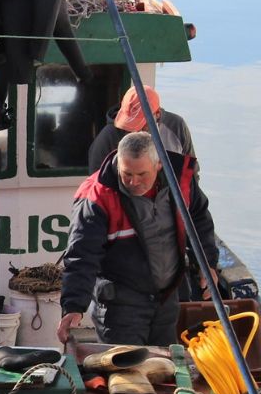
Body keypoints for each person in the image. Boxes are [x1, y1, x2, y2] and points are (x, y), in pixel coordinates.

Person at [57, 132, 218, 346]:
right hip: (120, 307)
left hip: (167, 300)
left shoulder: (181, 182)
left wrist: (207, 264)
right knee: (127, 374)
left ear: (159, 164)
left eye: (142, 174)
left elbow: (199, 219)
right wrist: (74, 306)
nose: (133, 182)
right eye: (127, 174)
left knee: (165, 370)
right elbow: (82, 254)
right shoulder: (97, 196)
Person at [87, 85, 196, 175]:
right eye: (128, 123)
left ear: (157, 114)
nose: (134, 131)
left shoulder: (177, 126)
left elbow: (191, 171)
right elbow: (97, 183)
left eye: (140, 124)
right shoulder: (107, 138)